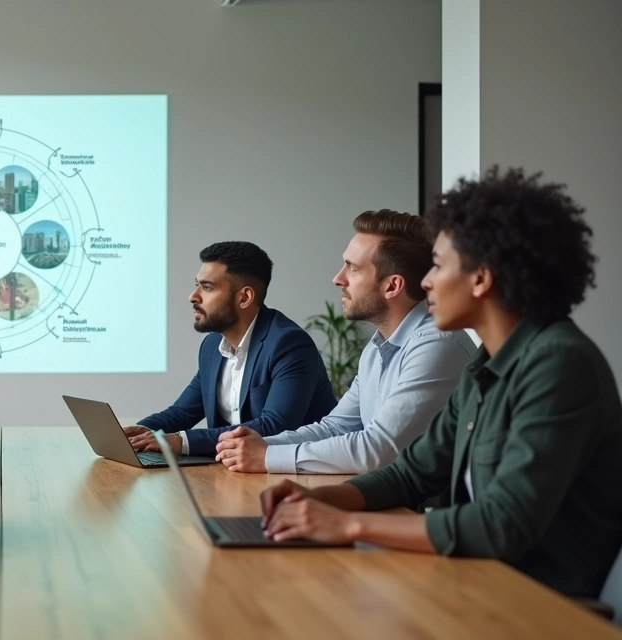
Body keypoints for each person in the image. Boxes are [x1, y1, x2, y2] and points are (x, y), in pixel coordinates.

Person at [259, 167, 622, 598]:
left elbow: (500, 524)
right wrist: (321, 499)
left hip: (535, 602)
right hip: (476, 581)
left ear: (481, 278)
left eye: (438, 266)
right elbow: (410, 474)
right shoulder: (487, 365)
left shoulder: (559, 365)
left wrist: (347, 524)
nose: (426, 281)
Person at [215, 211, 476, 473]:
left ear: (392, 286)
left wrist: (267, 456)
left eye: (353, 268)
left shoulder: (438, 344)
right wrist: (259, 445)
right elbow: (336, 427)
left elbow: (378, 449)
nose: (338, 278)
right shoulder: (377, 347)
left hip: (428, 512)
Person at [124, 241, 336, 457]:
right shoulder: (211, 346)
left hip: (298, 472)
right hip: (237, 469)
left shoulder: (289, 344)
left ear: (244, 297)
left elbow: (276, 425)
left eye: (207, 287)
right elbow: (181, 413)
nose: (193, 296)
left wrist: (182, 441)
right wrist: (139, 432)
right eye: (197, 285)